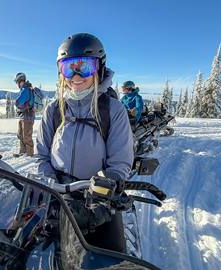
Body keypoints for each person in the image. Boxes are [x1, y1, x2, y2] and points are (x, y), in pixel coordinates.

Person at [35, 33, 134, 253]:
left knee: (111, 256)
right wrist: (50, 185)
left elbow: (120, 162)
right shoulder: (53, 110)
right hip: (58, 192)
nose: (76, 76)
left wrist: (102, 194)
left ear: (99, 68)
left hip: (98, 195)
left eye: (84, 67)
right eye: (69, 68)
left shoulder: (112, 110)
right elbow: (41, 155)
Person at [14, 72, 35, 157]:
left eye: (17, 82)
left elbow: (18, 102)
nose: (17, 84)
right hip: (24, 116)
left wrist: (19, 105)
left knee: (26, 135)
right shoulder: (25, 89)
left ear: (20, 81)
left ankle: (29, 154)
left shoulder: (26, 90)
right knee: (20, 134)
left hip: (28, 116)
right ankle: (23, 152)